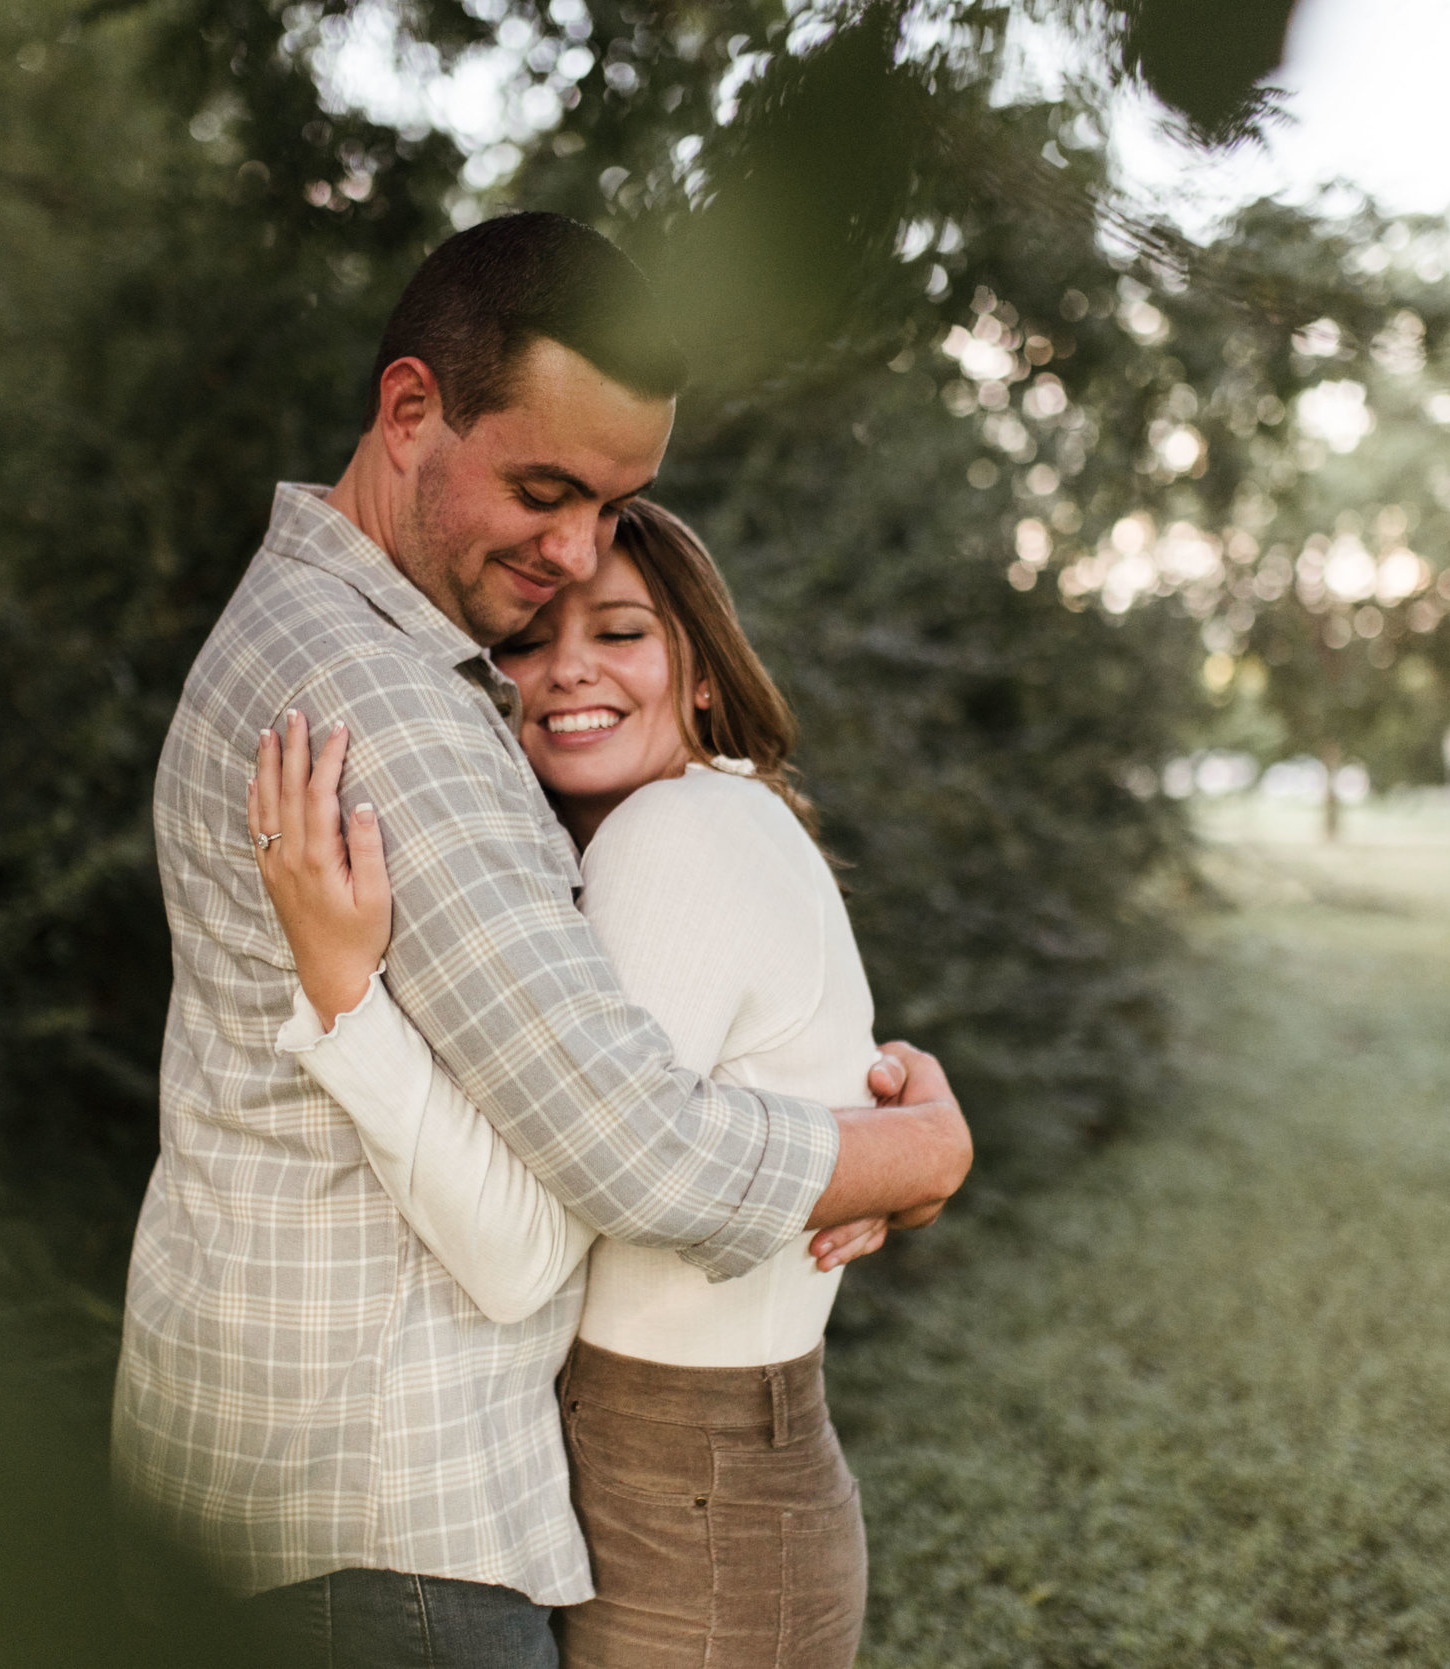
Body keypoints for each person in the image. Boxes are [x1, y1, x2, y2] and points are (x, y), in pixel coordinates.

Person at [111, 211, 968, 1667]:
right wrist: (919, 1154)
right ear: (408, 410)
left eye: (617, 507)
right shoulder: (390, 709)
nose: (571, 554)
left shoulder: (318, 634)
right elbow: (632, 1156)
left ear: (703, 670)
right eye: (545, 487)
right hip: (383, 1529)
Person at [248, 497, 960, 1667]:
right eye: (527, 639)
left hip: (690, 1506)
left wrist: (342, 997)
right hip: (695, 1485)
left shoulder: (673, 833)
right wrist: (913, 1156)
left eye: (621, 631)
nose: (568, 667)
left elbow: (520, 1253)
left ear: (702, 675)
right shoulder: (712, 825)